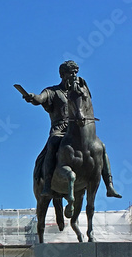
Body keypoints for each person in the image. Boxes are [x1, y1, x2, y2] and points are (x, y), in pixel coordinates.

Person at [21, 60, 121, 198]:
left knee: (101, 147)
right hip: (60, 130)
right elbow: (40, 99)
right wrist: (32, 97)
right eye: (70, 72)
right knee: (52, 144)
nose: (74, 75)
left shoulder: (78, 89)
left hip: (80, 129)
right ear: (62, 74)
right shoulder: (52, 92)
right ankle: (48, 184)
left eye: (75, 72)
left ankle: (109, 184)